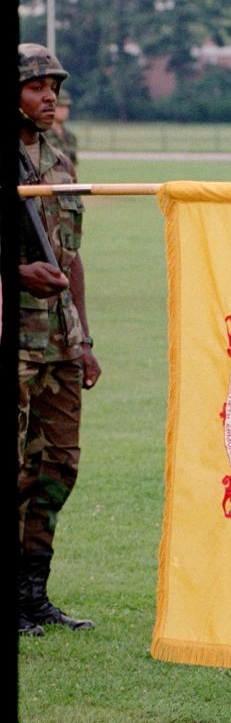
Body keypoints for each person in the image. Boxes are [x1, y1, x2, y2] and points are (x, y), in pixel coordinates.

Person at [17, 43, 100, 636]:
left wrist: (85, 338)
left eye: (54, 86)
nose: (49, 97)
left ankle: (32, 597)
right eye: (35, 86)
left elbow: (71, 256)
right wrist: (17, 272)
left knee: (58, 467)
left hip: (59, 343)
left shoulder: (59, 157)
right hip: (14, 331)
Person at [51, 88, 79, 176]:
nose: (65, 110)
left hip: (67, 185)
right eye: (60, 106)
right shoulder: (41, 136)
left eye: (67, 107)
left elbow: (73, 166)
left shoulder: (70, 137)